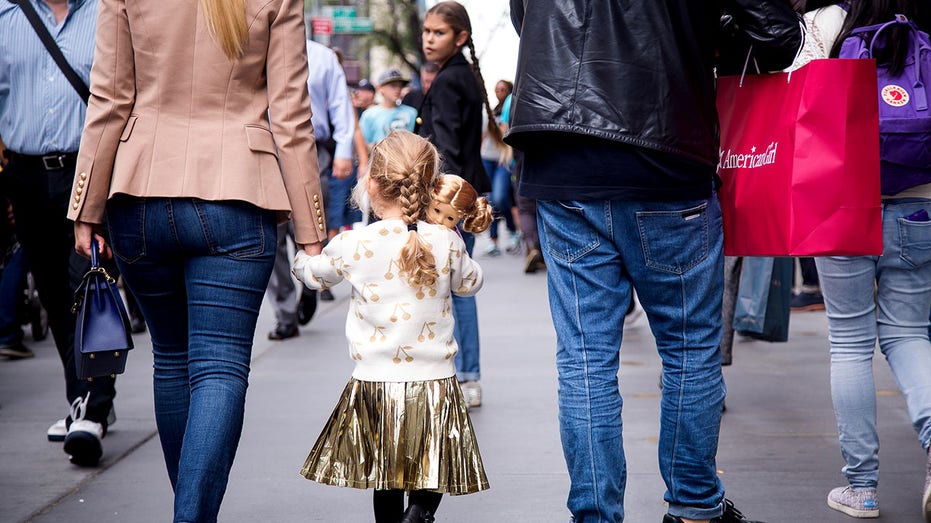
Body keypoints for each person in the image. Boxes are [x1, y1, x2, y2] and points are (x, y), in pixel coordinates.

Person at [506, 1, 803, 522]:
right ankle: (692, 506)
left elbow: (525, 19)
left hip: (561, 154)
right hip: (665, 149)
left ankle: (595, 514)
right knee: (689, 350)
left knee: (584, 358)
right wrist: (701, 34)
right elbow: (776, 35)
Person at [68, 0, 326, 519]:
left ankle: (190, 512)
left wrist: (85, 207)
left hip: (140, 190)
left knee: (172, 358)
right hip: (237, 190)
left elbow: (110, 99)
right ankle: (192, 515)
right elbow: (292, 114)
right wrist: (311, 232)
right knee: (220, 367)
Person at [293, 131, 490, 523]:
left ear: (370, 184)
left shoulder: (354, 243)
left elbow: (313, 275)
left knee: (386, 476)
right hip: (434, 379)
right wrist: (455, 239)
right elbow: (471, 283)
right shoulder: (444, 242)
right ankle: (420, 514)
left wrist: (304, 253)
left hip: (376, 380)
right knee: (433, 464)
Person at [791, 1, 931, 519]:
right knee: (909, 332)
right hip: (922, 200)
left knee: (849, 342)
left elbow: (797, 98)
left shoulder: (826, 21)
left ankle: (862, 487)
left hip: (841, 200)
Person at [0, 0, 122, 466]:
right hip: (25, 175)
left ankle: (92, 409)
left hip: (90, 173)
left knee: (92, 288)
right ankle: (82, 400)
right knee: (53, 295)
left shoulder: (108, 12)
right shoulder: (7, 17)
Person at [418, 0, 495, 410]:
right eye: (427, 31)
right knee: (457, 286)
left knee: (456, 289)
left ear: (460, 37)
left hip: (452, 198)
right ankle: (467, 374)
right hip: (465, 193)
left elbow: (445, 148)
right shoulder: (459, 74)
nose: (430, 38)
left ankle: (467, 376)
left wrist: (441, 207)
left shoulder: (449, 80)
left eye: (439, 32)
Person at [265, 38, 354, 337]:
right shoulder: (254, 47)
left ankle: (313, 279)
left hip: (314, 151)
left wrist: (344, 149)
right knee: (271, 236)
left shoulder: (323, 57)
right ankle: (285, 313)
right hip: (265, 148)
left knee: (312, 224)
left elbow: (341, 104)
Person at [480, 80, 519, 257]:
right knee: (489, 200)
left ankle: (512, 229)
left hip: (503, 160)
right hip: (487, 158)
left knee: (500, 196)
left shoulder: (511, 110)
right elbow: (482, 136)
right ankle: (493, 240)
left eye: (503, 90)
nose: (499, 93)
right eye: (497, 90)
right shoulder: (489, 111)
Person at [359, 69, 419, 145]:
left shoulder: (412, 112)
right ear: (380, 88)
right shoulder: (369, 115)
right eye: (393, 85)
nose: (398, 89)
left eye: (400, 85)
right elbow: (364, 145)